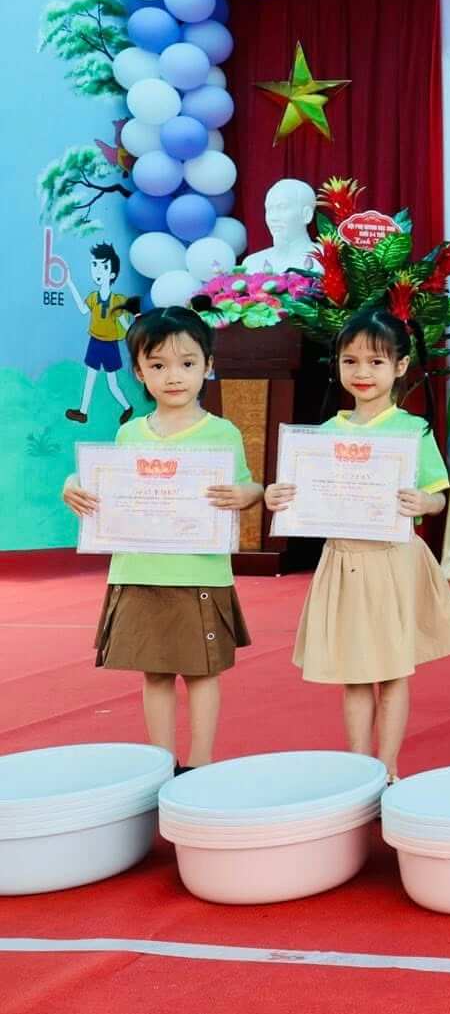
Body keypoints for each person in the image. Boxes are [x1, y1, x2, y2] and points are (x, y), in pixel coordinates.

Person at [265, 306, 450, 782]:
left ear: (400, 366)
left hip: (395, 561)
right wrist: (278, 497)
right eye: (350, 361)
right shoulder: (323, 436)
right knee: (354, 672)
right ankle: (360, 767)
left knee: (393, 671)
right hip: (343, 560)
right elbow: (300, 496)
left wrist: (425, 500)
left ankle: (389, 765)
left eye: (376, 362)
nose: (362, 372)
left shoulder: (411, 431)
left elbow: (438, 496)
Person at [61, 308, 263, 770]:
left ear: (208, 366)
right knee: (154, 673)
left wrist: (246, 494)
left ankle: (201, 765)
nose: (174, 376)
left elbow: (248, 486)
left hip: (199, 572)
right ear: (138, 372)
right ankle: (161, 763)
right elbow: (104, 484)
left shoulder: (222, 433)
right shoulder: (129, 433)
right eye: (158, 365)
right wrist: (72, 483)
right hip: (140, 570)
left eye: (187, 363)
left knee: (202, 672)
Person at [65, 242, 135, 424]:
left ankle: (127, 407)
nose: (98, 270)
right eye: (94, 265)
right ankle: (83, 412)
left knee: (113, 384)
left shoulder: (117, 301)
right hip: (95, 342)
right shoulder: (93, 298)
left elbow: (125, 324)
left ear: (112, 274)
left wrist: (135, 337)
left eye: (103, 266)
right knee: (90, 378)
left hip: (110, 345)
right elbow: (82, 309)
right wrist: (70, 283)